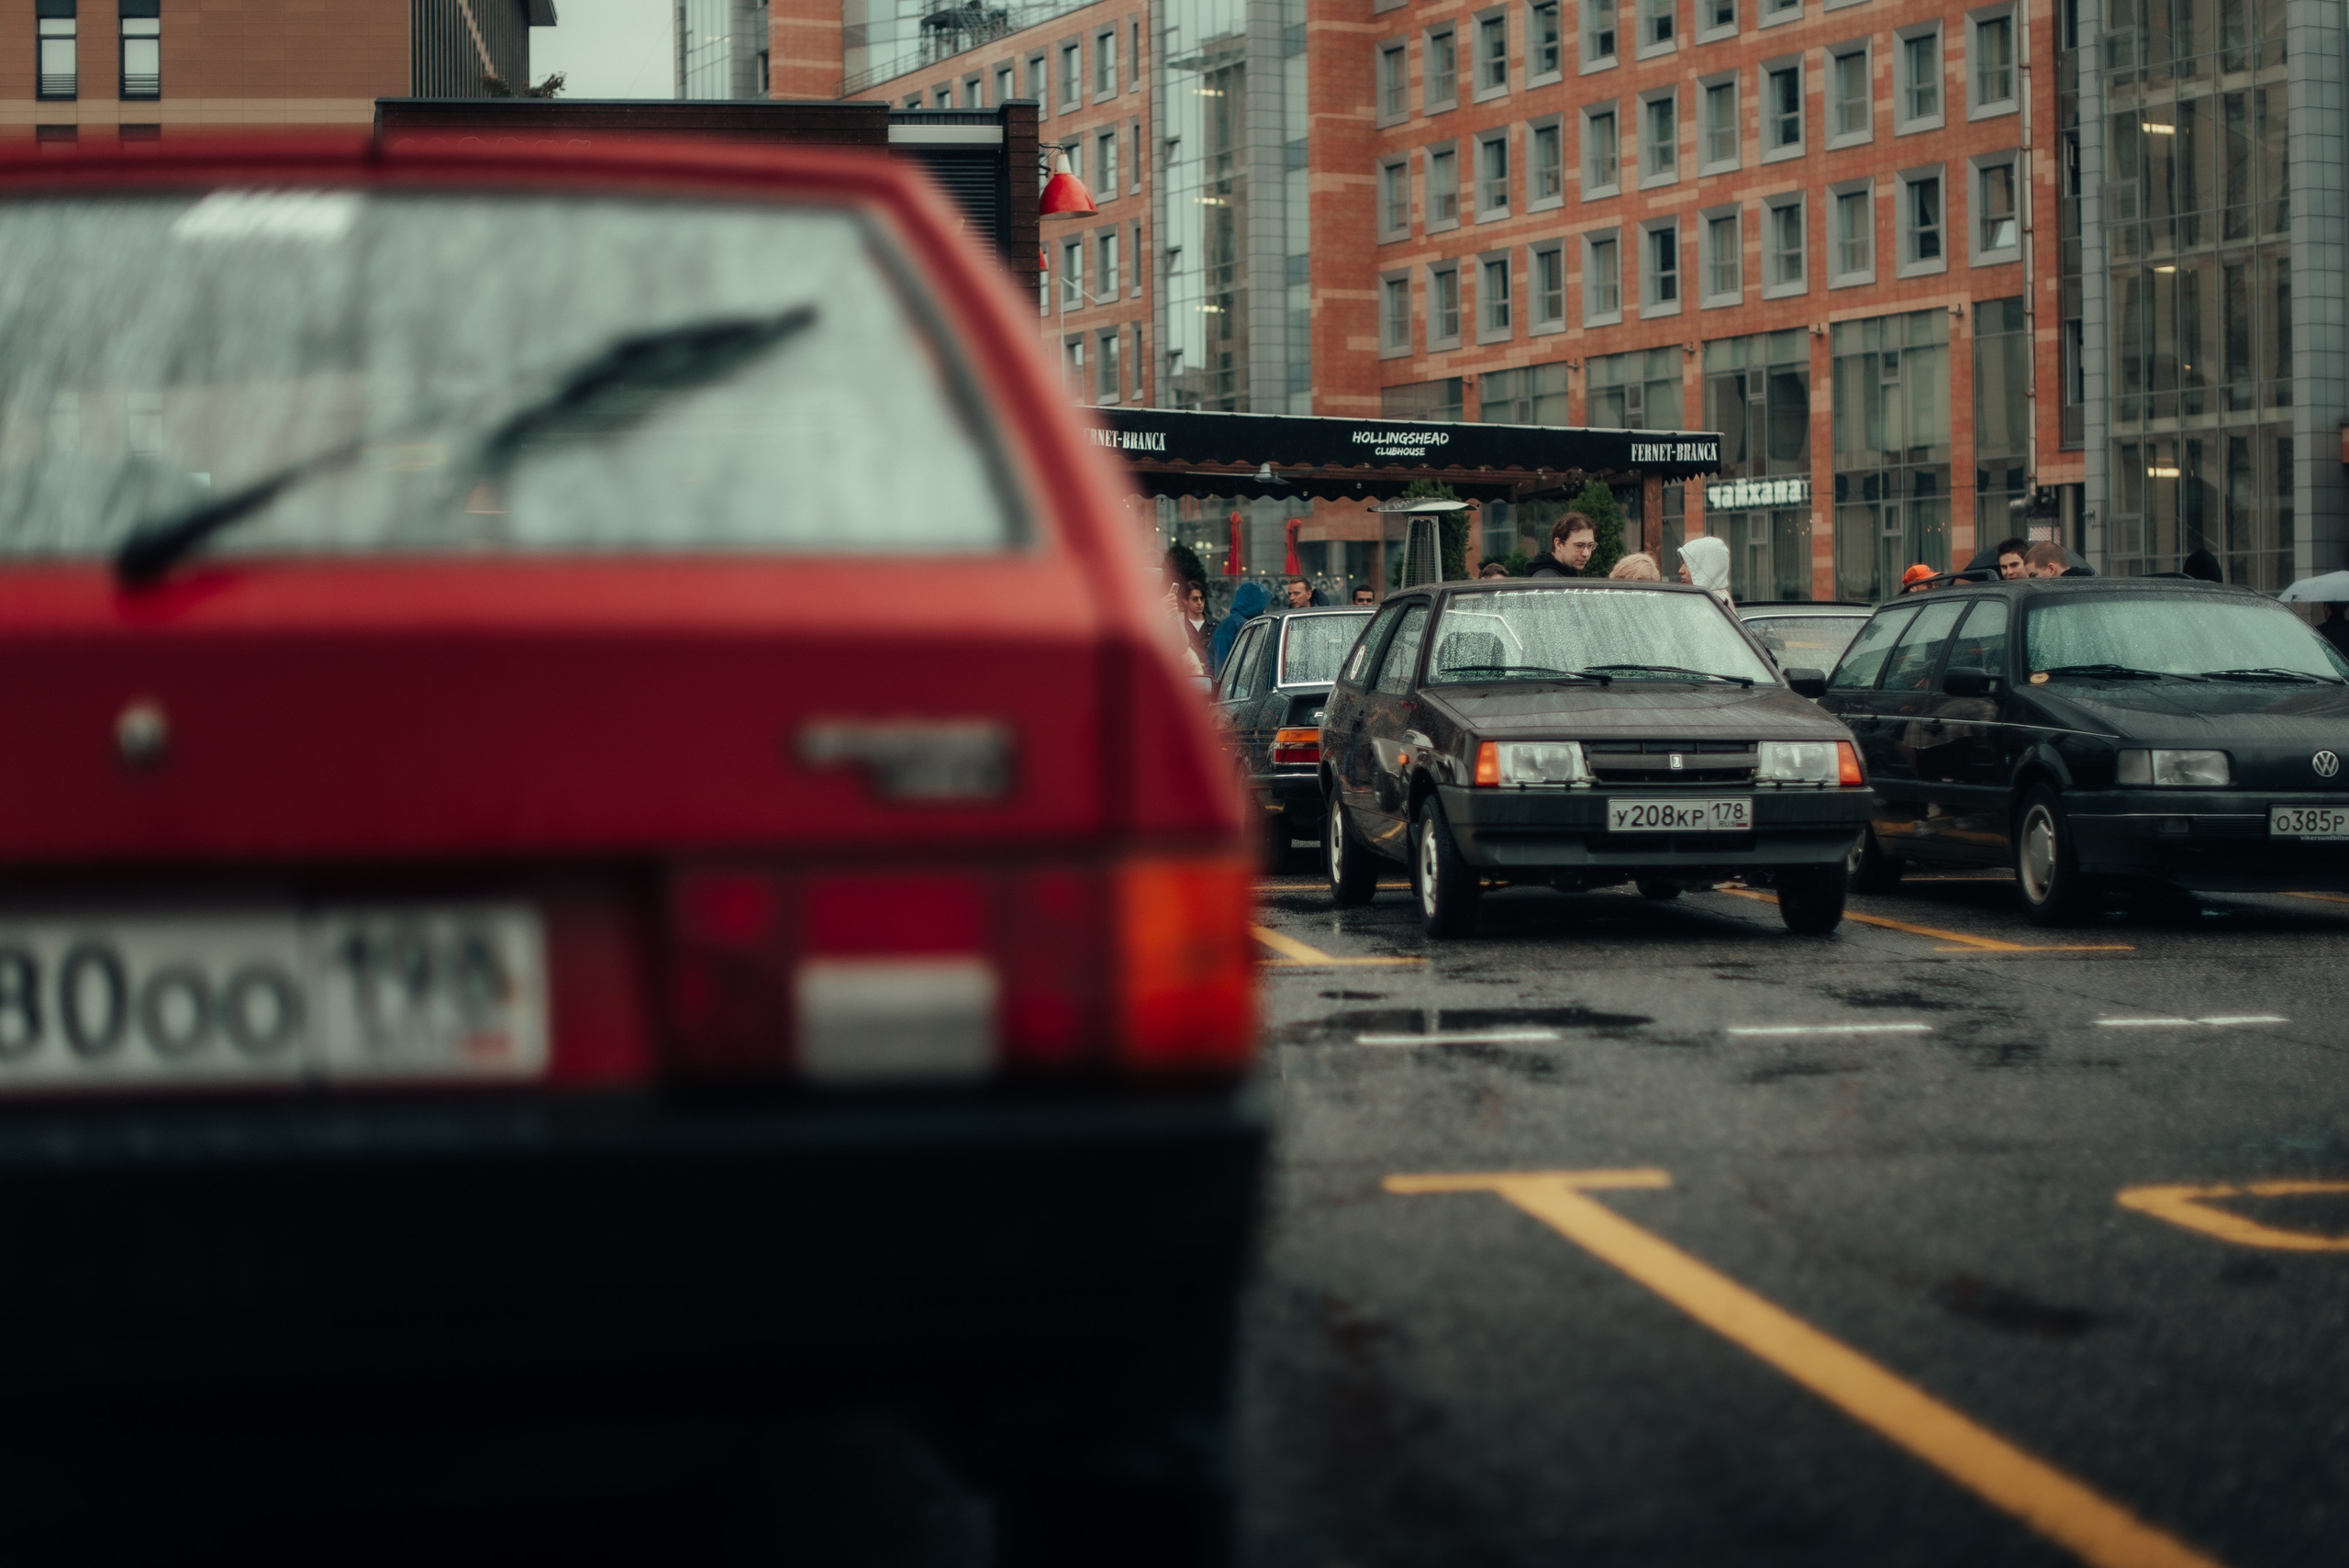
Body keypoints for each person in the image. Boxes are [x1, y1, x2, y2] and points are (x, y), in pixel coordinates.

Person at [1211, 580, 1270, 674]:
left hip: (1220, 683)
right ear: (1253, 603)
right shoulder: (1246, 626)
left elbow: (1210, 658)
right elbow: (1249, 663)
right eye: (1261, 605)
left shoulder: (1223, 624)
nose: (1264, 611)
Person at [1525, 513, 1598, 576]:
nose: (1586, 553)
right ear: (1558, 544)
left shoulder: (1567, 573)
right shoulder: (1547, 582)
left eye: (1590, 546)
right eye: (1579, 546)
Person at [1679, 535, 1732, 606]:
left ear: (1708, 566)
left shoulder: (1713, 605)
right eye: (1683, 563)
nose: (1681, 571)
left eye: (1689, 565)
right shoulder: (1714, 599)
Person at [1181, 579, 1215, 666]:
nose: (1200, 603)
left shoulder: (1216, 625)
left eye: (1202, 598)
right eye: (1195, 599)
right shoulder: (1179, 625)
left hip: (1209, 675)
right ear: (1185, 600)